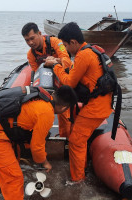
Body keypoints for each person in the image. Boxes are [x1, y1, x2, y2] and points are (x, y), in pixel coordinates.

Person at [0, 85, 78, 200]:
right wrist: (44, 162)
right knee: (14, 178)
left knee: (14, 162)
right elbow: (37, 147)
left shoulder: (42, 95)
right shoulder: (46, 113)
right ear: (64, 108)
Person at [45, 22, 113, 183]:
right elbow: (75, 73)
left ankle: (77, 180)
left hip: (97, 107)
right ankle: (80, 168)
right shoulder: (91, 50)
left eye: (67, 45)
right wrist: (60, 63)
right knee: (77, 133)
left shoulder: (83, 55)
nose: (66, 50)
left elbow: (69, 82)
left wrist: (55, 66)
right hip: (101, 102)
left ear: (73, 42)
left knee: (76, 141)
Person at [22, 22, 73, 138]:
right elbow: (36, 74)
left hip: (62, 80)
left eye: (32, 38)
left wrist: (55, 61)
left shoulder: (55, 42)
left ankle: (65, 139)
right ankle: (40, 135)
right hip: (45, 86)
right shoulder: (31, 54)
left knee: (64, 114)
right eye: (27, 40)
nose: (30, 43)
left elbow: (68, 62)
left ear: (39, 33)